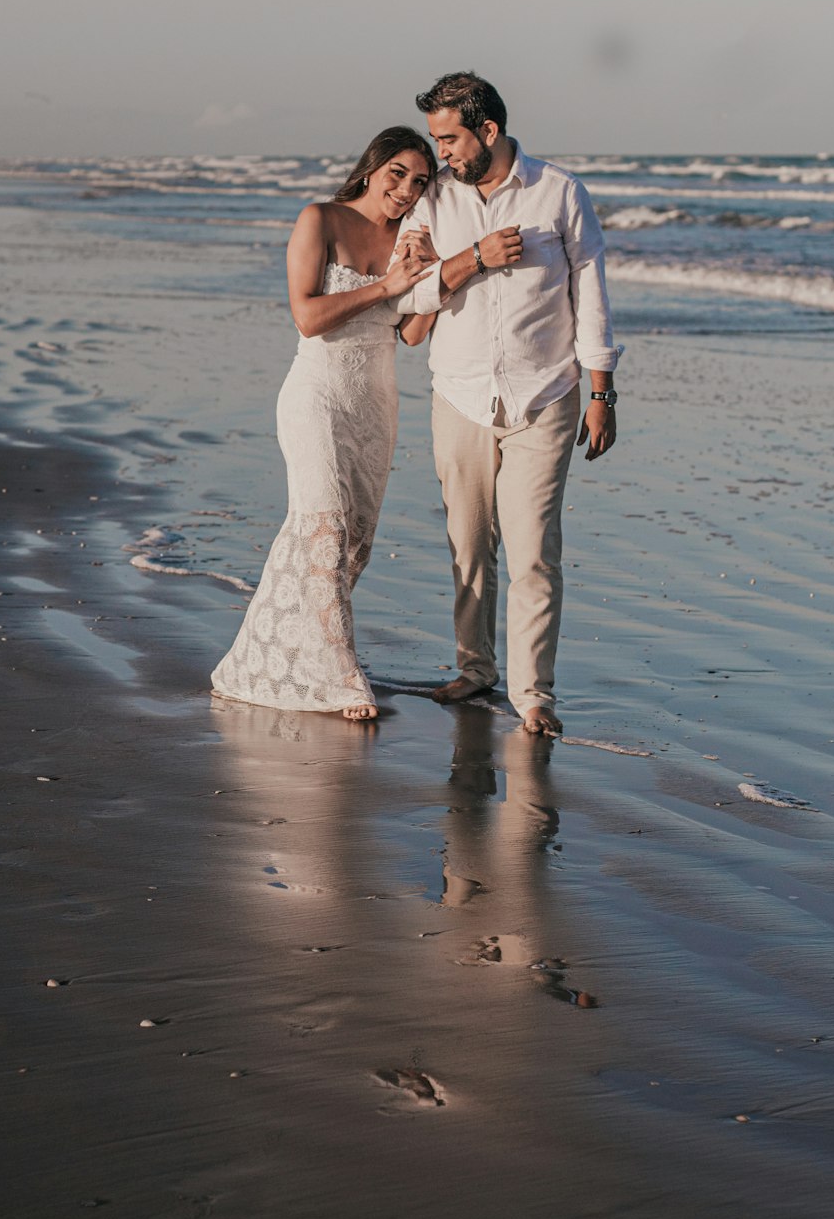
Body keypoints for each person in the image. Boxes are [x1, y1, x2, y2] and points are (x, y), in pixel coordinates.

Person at [396, 71, 621, 736]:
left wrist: (602, 391)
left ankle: (533, 695)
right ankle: (476, 669)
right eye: (437, 141)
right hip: (459, 394)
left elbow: (593, 296)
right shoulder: (434, 200)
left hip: (544, 395)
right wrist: (473, 258)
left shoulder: (559, 193)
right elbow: (409, 297)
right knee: (467, 544)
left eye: (450, 140)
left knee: (531, 553)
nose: (442, 155)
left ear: (487, 130)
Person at [211, 127, 437, 722]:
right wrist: (389, 285)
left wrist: (433, 281)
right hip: (317, 393)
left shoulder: (409, 239)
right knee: (325, 526)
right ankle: (342, 677)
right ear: (371, 167)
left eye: (419, 182)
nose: (406, 190)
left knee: (352, 542)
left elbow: (409, 334)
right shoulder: (321, 220)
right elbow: (308, 316)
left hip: (376, 403)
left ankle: (255, 663)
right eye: (398, 173)